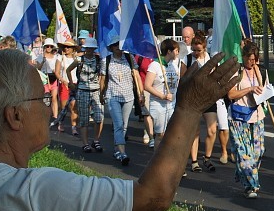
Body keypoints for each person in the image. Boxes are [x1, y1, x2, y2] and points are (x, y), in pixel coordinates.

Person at [0, 49, 241, 211]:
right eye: (42, 98)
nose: (48, 108)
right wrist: (190, 107)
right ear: (15, 116)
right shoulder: (34, 193)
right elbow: (152, 197)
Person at [227, 43, 269, 199]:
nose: (253, 62)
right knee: (245, 154)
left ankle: (242, 172)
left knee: (258, 153)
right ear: (243, 57)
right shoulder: (236, 72)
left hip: (257, 115)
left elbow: (265, 89)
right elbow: (231, 95)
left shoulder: (261, 71)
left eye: (255, 59)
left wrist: (266, 94)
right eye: (250, 59)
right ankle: (250, 186)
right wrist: (250, 89)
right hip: (239, 116)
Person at [101, 36, 143, 166]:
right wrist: (101, 93)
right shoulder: (106, 60)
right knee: (118, 124)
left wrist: (141, 94)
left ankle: (117, 150)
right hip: (113, 96)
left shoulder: (129, 58)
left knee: (124, 125)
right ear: (112, 48)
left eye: (120, 45)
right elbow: (103, 79)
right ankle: (123, 153)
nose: (118, 48)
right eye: (116, 46)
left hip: (128, 96)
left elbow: (136, 75)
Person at [66, 37, 105, 154]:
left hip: (96, 90)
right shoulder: (79, 60)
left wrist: (102, 91)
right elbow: (68, 70)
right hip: (82, 90)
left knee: (99, 117)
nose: (89, 50)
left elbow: (102, 76)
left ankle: (96, 140)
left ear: (94, 49)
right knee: (84, 118)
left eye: (91, 48)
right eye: (87, 48)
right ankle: (85, 143)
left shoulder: (99, 60)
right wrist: (72, 84)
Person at [145, 39, 186, 150]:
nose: (177, 53)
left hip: (172, 104)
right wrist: (162, 96)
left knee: (171, 133)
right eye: (176, 50)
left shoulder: (172, 65)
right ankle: (156, 160)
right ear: (169, 51)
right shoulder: (155, 65)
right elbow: (147, 86)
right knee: (161, 135)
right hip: (158, 105)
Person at [185, 37, 218, 173]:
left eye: (198, 50)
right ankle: (194, 161)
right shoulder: (187, 60)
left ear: (204, 48)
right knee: (195, 131)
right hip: (193, 99)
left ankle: (207, 158)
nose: (196, 53)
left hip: (207, 98)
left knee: (212, 130)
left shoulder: (210, 60)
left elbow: (216, 78)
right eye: (193, 50)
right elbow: (183, 78)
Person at [53, 39, 80, 135]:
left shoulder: (76, 59)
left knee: (74, 105)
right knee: (64, 106)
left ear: (73, 49)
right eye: (65, 46)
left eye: (69, 47)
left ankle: (73, 127)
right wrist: (62, 80)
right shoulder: (60, 58)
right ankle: (61, 122)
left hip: (75, 84)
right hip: (64, 84)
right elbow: (56, 72)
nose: (66, 48)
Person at [35, 38, 61, 120]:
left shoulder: (56, 57)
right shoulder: (40, 57)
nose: (49, 48)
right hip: (44, 79)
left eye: (50, 46)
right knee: (46, 98)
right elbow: (37, 68)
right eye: (47, 46)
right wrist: (42, 61)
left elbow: (58, 68)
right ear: (44, 47)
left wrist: (55, 70)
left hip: (53, 78)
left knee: (54, 97)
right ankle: (45, 114)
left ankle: (55, 116)